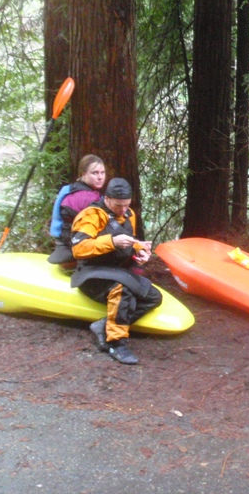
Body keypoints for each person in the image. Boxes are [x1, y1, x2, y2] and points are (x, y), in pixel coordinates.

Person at [70, 178, 161, 365]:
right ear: (107, 198)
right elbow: (79, 248)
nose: (123, 210)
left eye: (127, 205)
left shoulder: (129, 214)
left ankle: (103, 325)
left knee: (153, 297)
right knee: (122, 290)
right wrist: (112, 242)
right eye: (119, 206)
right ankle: (116, 343)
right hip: (91, 273)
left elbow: (131, 242)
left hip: (117, 270)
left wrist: (140, 251)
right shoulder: (91, 215)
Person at [47, 154, 106, 266]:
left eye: (102, 173)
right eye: (95, 173)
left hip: (61, 242)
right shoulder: (88, 198)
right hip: (71, 247)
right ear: (83, 175)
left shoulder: (68, 189)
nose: (100, 177)